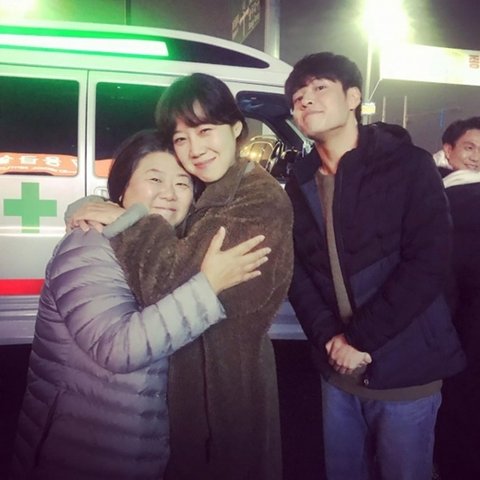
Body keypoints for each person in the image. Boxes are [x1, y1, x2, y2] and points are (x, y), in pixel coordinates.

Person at [67, 73, 293, 480]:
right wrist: (92, 206)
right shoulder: (210, 190)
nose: (195, 150)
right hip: (188, 391)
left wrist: (127, 221)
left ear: (236, 128)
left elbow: (166, 284)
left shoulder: (259, 201)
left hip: (225, 399)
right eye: (181, 139)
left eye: (205, 131)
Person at [9, 129, 271, 480]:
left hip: (142, 447)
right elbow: (117, 348)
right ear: (121, 190)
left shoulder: (166, 247)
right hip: (83, 449)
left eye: (182, 183)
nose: (169, 193)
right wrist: (207, 289)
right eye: (154, 179)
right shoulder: (89, 245)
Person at [283, 52, 466, 480]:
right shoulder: (300, 181)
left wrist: (357, 339)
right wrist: (330, 339)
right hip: (337, 373)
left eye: (319, 87)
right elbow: (298, 272)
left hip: (406, 370)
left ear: (353, 98)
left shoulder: (407, 165)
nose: (305, 100)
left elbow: (428, 263)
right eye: (297, 96)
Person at [433, 117, 480, 480]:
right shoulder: (452, 196)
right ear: (448, 150)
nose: (477, 157)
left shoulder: (433, 193)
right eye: (470, 147)